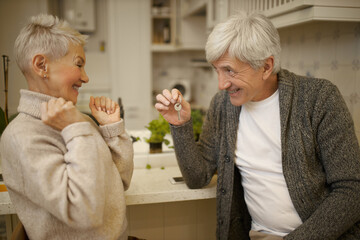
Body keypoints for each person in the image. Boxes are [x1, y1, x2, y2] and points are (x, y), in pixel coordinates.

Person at [155, 11, 360, 240]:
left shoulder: (319, 99)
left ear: (266, 66)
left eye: (229, 70)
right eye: (217, 70)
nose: (221, 84)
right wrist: (181, 125)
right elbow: (197, 177)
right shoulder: (223, 105)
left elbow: (352, 190)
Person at [0, 14, 134, 239]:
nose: (86, 77)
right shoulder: (21, 136)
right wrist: (76, 131)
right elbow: (83, 213)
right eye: (79, 64)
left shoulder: (79, 121)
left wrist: (113, 131)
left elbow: (119, 184)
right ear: (41, 65)